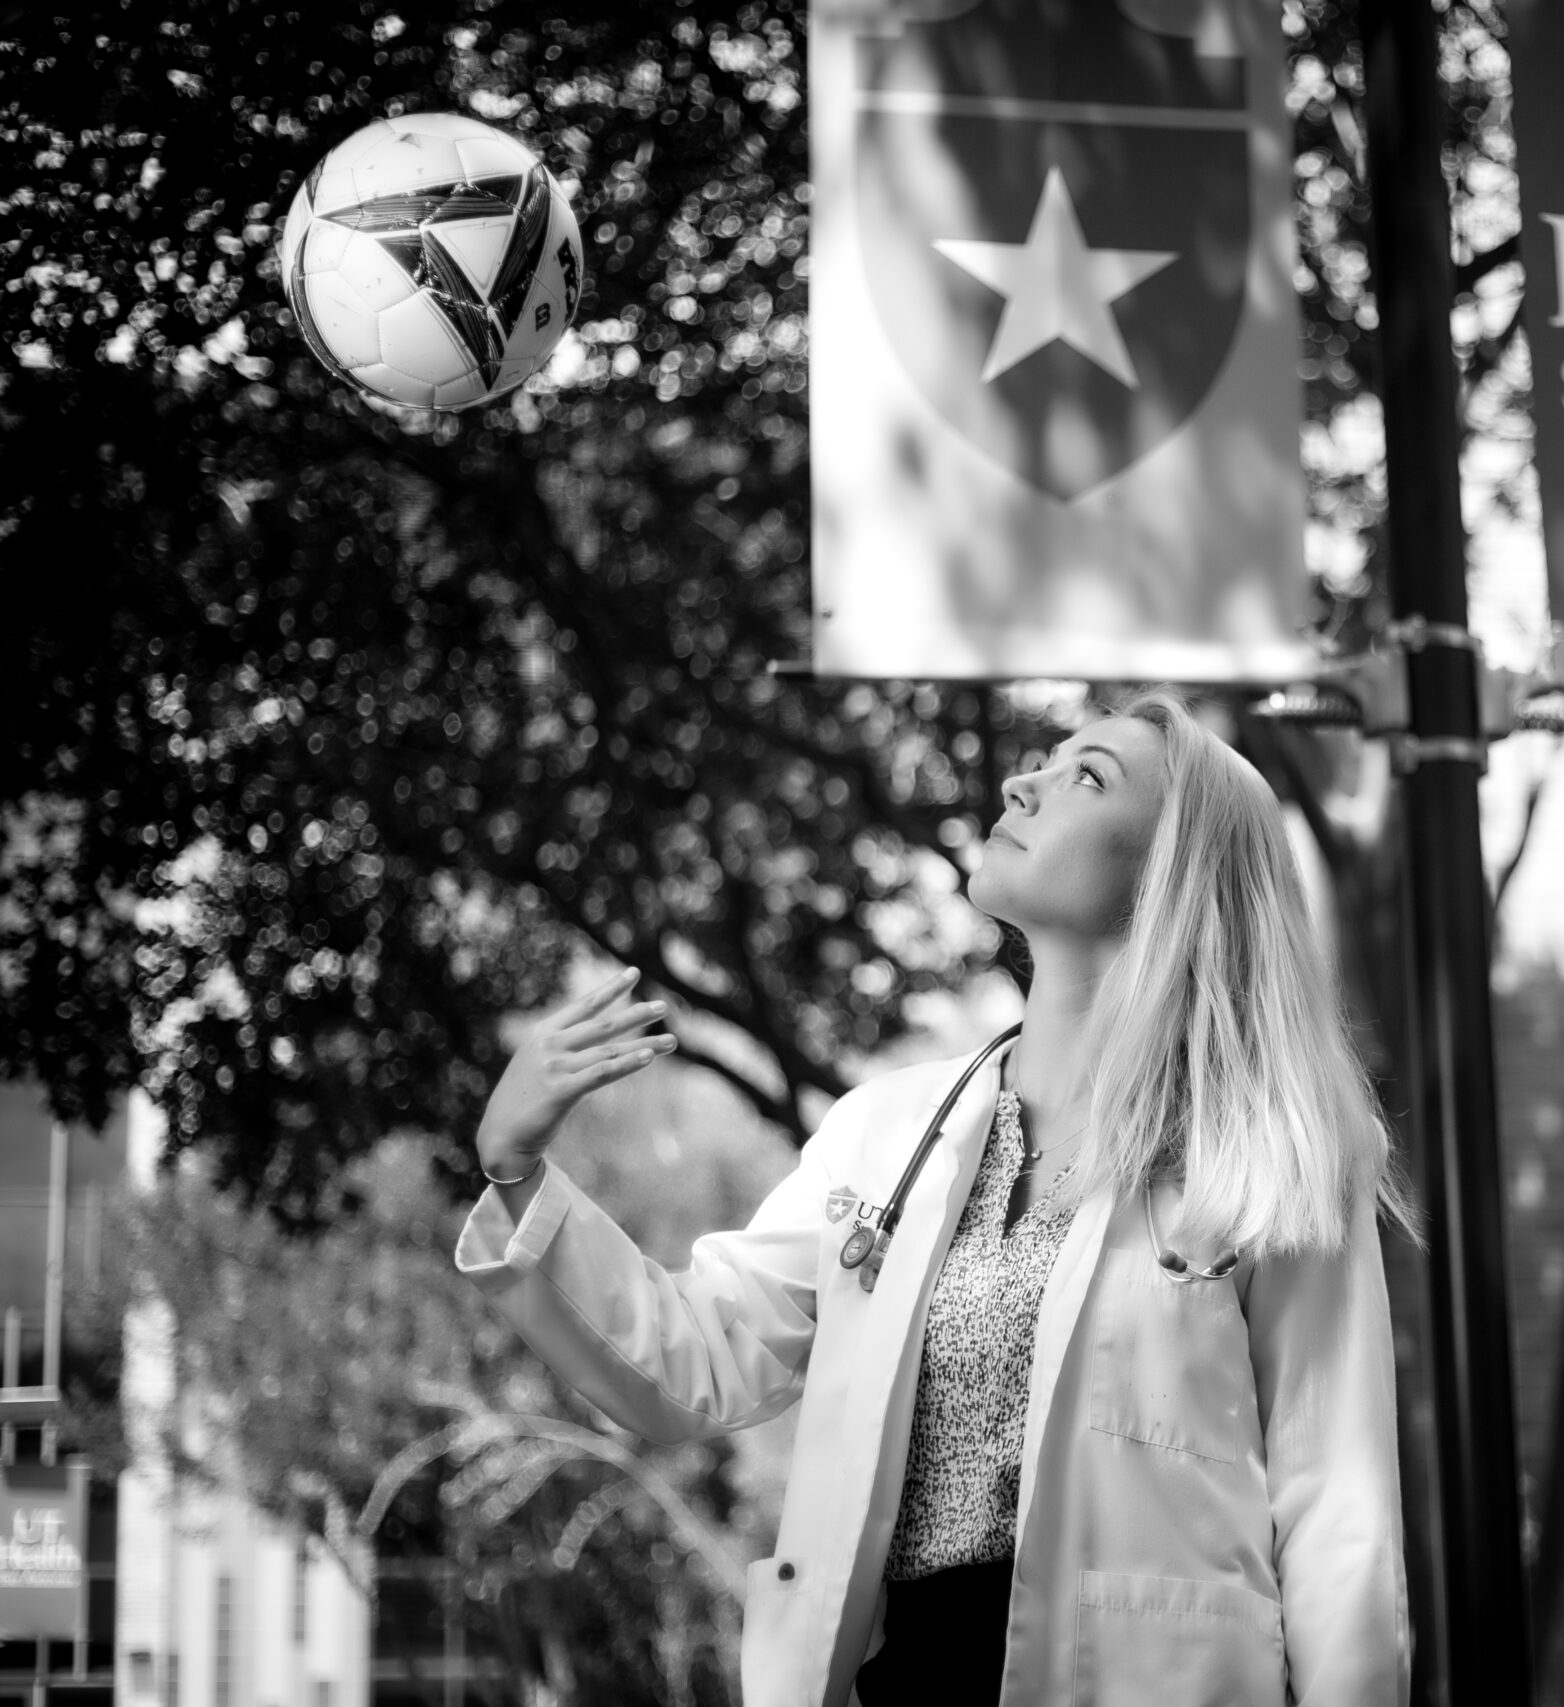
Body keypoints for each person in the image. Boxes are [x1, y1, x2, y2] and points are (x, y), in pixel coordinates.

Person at [455, 688, 1416, 1707]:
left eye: (1087, 777)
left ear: (1167, 876)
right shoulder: (885, 1135)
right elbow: (698, 1357)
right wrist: (517, 1169)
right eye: (1046, 759)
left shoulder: (1265, 1155)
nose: (1023, 782)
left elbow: (1336, 1512)